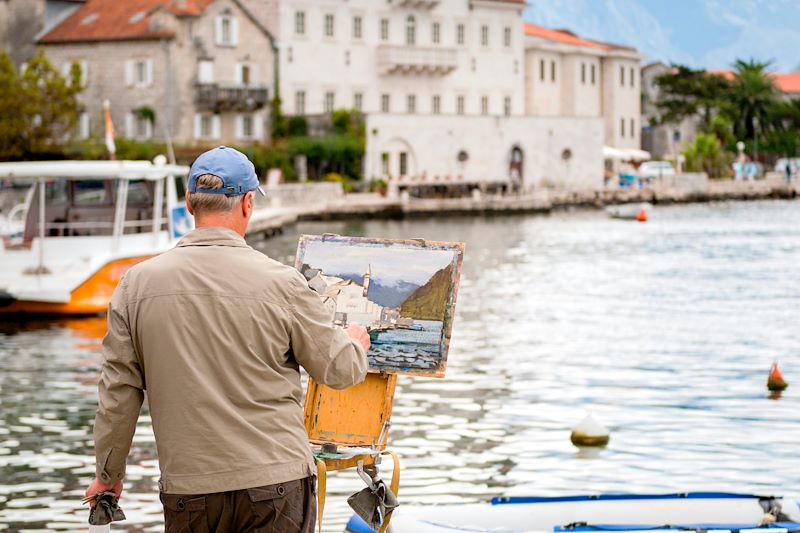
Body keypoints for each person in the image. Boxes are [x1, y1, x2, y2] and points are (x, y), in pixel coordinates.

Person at [84, 146, 370, 532]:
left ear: (188, 203)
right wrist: (355, 342)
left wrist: (108, 472)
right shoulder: (282, 282)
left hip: (191, 489)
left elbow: (119, 391)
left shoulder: (135, 286)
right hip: (275, 482)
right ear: (248, 203)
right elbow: (339, 370)